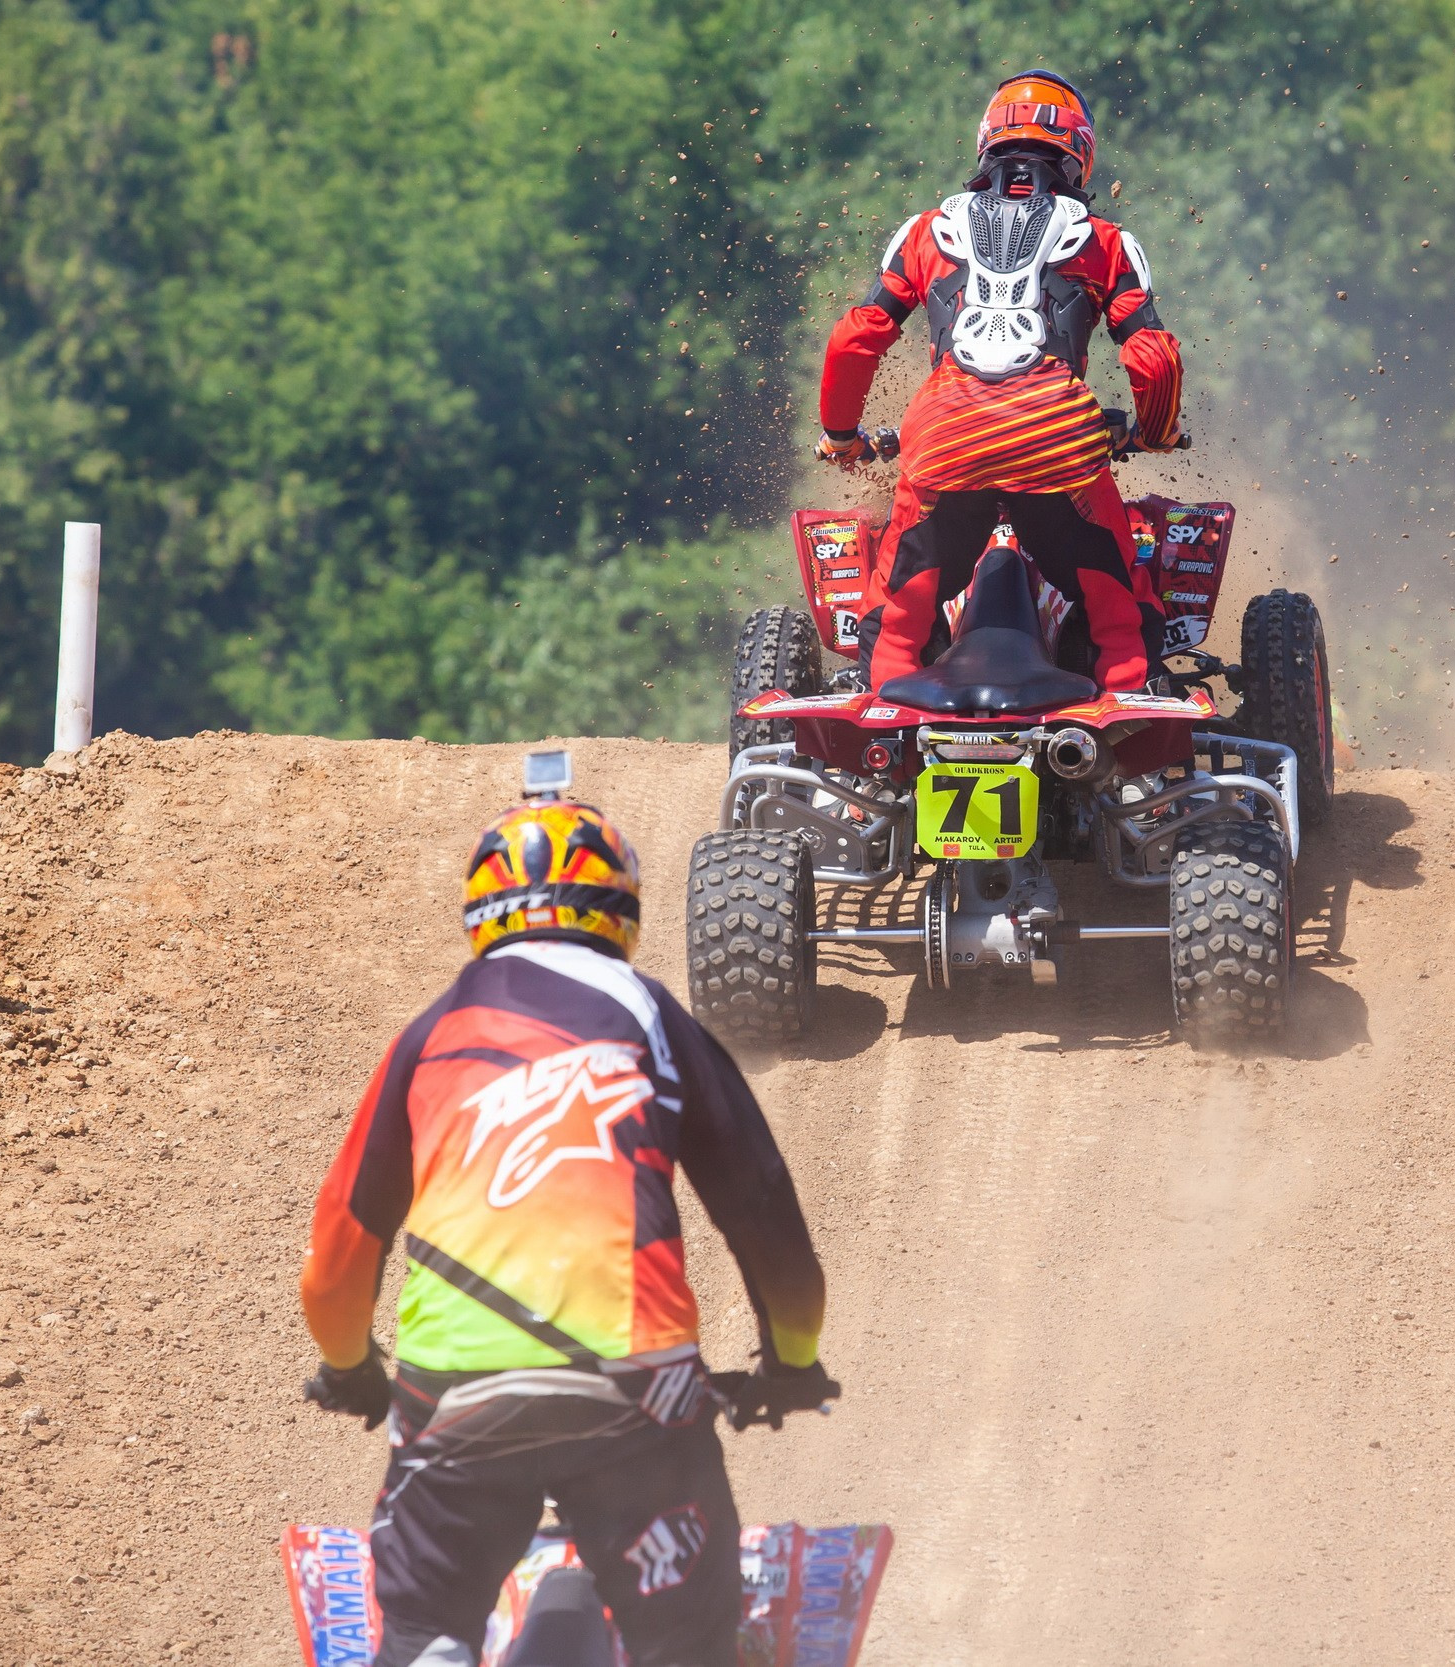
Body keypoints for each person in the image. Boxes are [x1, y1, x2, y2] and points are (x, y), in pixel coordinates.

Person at [297, 786, 834, 1667]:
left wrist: (351, 1366)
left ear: (480, 914)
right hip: (634, 1389)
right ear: (622, 911)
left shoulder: (428, 1036)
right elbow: (763, 1208)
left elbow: (339, 1253)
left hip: (454, 1394)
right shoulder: (653, 1014)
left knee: (425, 1630)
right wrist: (793, 1360)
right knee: (688, 1645)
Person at [817, 69, 1186, 696]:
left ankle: (873, 764)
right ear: (1081, 154)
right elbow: (1152, 359)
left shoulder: (925, 232)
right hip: (1057, 441)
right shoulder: (1105, 242)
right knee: (1121, 620)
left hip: (943, 439)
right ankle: (1137, 762)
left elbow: (855, 338)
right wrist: (1154, 431)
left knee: (897, 623)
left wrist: (842, 434)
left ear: (986, 143)